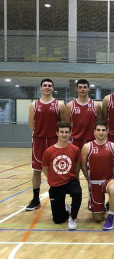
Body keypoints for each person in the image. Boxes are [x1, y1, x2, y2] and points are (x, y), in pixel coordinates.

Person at [27, 78, 65, 211]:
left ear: (53, 88)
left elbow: (63, 124)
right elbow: (31, 124)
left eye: (50, 85)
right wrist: (40, 133)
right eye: (45, 85)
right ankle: (35, 199)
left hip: (54, 141)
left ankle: (58, 198)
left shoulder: (59, 104)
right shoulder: (34, 105)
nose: (47, 87)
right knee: (37, 170)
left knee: (56, 171)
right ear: (40, 88)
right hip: (39, 140)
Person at [42, 122, 84, 230]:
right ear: (57, 133)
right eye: (61, 132)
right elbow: (45, 168)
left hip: (70, 181)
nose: (64, 134)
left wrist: (76, 180)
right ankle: (66, 210)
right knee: (57, 220)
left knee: (77, 192)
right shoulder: (49, 151)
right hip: (56, 184)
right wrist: (52, 178)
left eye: (66, 132)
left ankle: (73, 218)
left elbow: (77, 167)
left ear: (70, 133)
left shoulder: (75, 149)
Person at [81, 121, 114, 230]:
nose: (101, 132)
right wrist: (89, 180)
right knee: (97, 218)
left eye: (103, 130)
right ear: (94, 132)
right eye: (98, 130)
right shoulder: (87, 147)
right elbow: (83, 166)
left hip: (109, 179)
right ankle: (102, 207)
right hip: (94, 182)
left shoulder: (113, 146)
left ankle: (110, 217)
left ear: (107, 132)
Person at [64, 79, 102, 150]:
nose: (82, 89)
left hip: (92, 140)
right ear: (76, 89)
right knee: (76, 161)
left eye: (84, 87)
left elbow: (99, 125)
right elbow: (67, 126)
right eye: (80, 87)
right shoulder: (70, 106)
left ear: (88, 89)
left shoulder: (96, 106)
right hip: (75, 140)